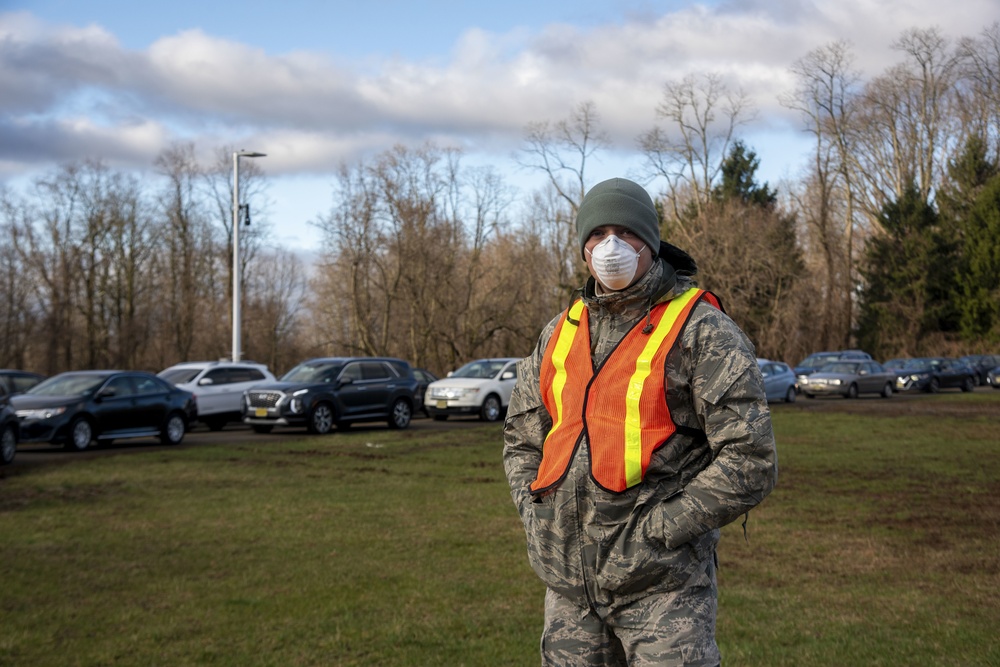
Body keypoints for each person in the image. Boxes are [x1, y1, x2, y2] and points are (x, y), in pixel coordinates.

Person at [503, 177, 778, 666]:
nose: (610, 246)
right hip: (570, 596)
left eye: (625, 232)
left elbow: (750, 458)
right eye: (597, 234)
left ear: (650, 242)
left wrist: (659, 530)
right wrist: (535, 514)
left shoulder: (701, 330)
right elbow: (524, 438)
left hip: (663, 596)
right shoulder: (559, 333)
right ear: (584, 248)